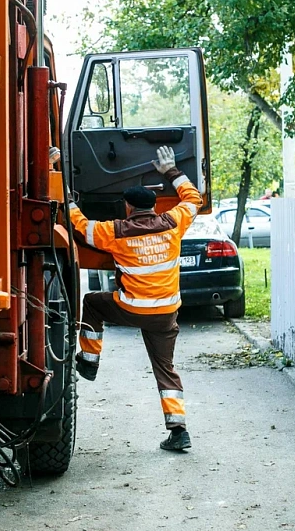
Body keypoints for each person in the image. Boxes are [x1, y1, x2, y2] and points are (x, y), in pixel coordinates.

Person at [66, 146, 202, 451]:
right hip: (166, 313)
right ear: (154, 205)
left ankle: (89, 361)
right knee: (165, 368)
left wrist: (69, 199)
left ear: (128, 207)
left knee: (93, 303)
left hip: (131, 308)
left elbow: (81, 227)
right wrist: (171, 171)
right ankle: (179, 431)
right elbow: (194, 199)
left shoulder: (117, 231)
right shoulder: (173, 223)